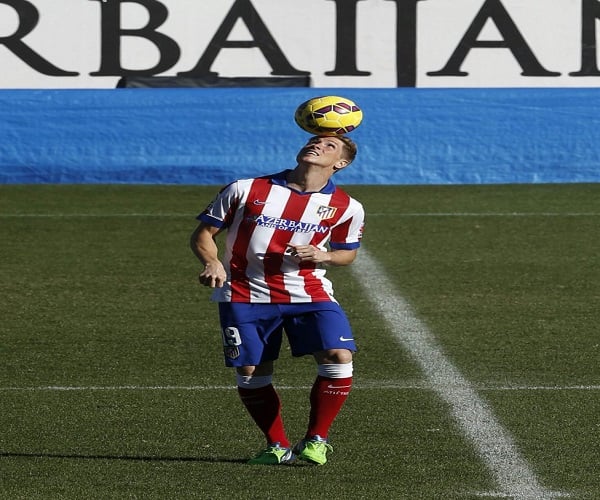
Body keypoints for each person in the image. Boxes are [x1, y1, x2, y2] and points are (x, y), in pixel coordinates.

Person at [190, 134, 365, 465]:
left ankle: (316, 439)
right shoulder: (245, 189)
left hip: (308, 291)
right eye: (315, 141)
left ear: (340, 163)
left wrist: (323, 256)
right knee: (251, 369)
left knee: (339, 354)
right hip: (243, 292)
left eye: (330, 146)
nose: (317, 146)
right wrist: (212, 262)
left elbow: (348, 254)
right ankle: (277, 446)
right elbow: (202, 235)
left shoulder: (347, 207)